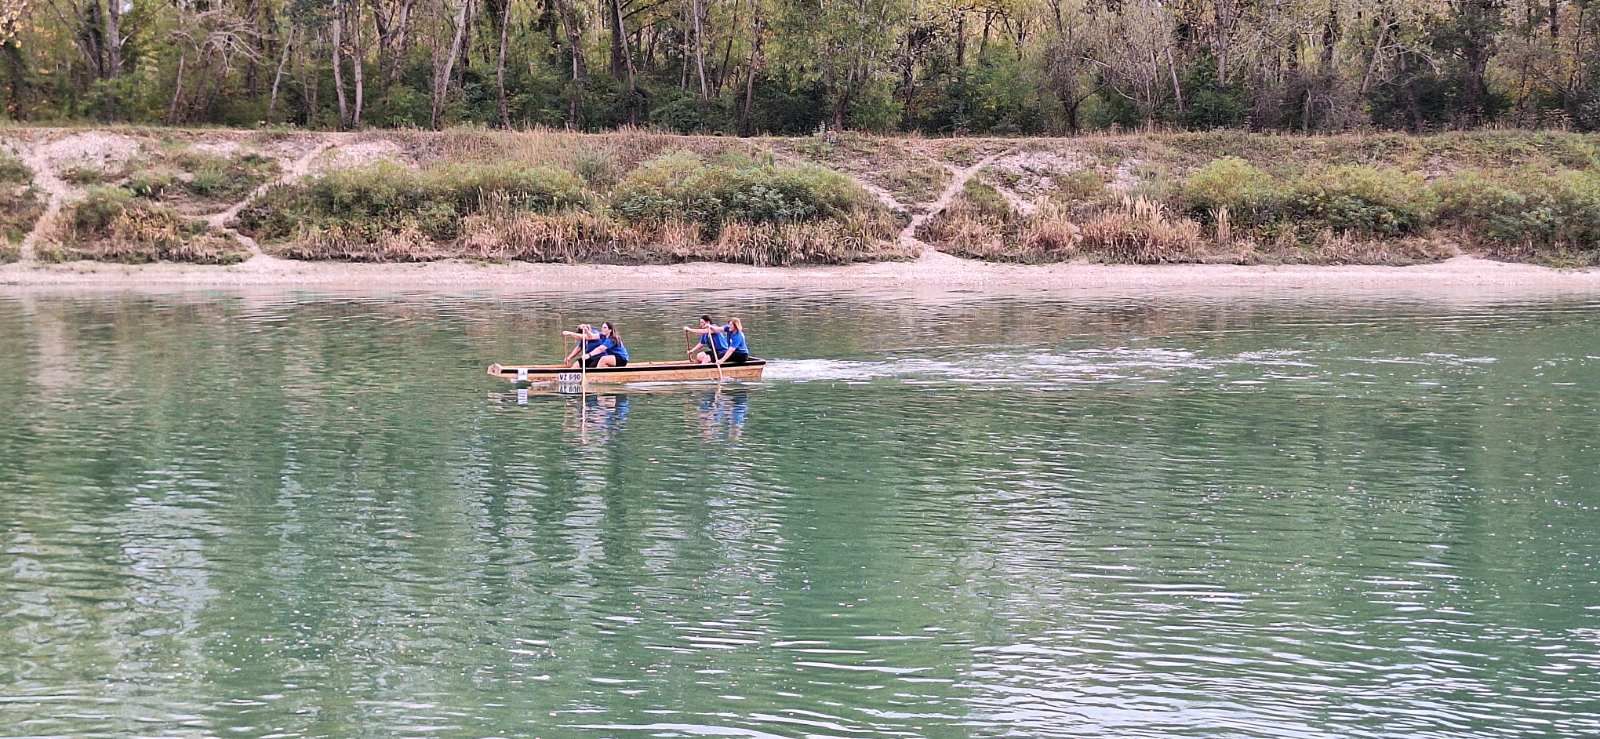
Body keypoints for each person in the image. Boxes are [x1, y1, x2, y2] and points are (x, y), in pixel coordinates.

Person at [562, 322, 628, 368]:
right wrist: (586, 330)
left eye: (605, 328)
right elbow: (591, 337)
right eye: (602, 327)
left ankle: (597, 376)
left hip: (621, 359)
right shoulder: (602, 335)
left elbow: (600, 349)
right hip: (612, 357)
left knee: (603, 359)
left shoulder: (612, 339)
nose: (602, 329)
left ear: (610, 330)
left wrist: (588, 355)